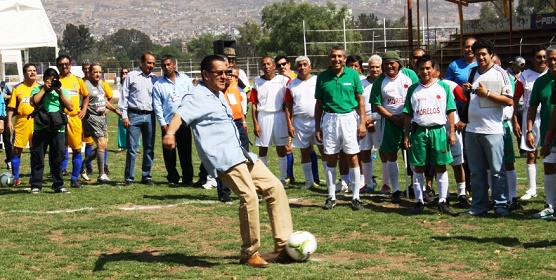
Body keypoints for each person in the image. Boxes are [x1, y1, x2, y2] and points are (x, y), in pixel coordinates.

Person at [162, 55, 293, 268]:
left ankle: (283, 245)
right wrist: (170, 134)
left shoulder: (219, 94)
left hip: (241, 154)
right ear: (205, 75)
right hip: (223, 158)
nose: (225, 76)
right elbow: (179, 115)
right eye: (219, 73)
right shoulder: (196, 96)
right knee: (249, 196)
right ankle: (249, 252)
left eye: (227, 72)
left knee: (274, 186)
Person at [461, 39, 513, 217]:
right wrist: (466, 90)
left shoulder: (500, 73)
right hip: (472, 129)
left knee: (498, 170)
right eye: (477, 54)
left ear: (491, 54)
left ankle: (500, 205)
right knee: (476, 172)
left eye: (484, 54)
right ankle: (479, 206)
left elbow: (509, 100)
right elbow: (470, 97)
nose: (480, 57)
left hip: (493, 130)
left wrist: (488, 94)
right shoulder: (472, 71)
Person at [403, 55, 456, 215]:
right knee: (417, 167)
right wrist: (406, 135)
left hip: (438, 131)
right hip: (419, 131)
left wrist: (452, 132)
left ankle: (443, 200)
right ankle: (419, 201)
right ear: (417, 70)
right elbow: (407, 114)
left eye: (428, 68)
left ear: (434, 70)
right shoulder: (413, 89)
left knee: (440, 165)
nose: (425, 71)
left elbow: (451, 111)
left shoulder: (443, 87)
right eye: (422, 68)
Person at [315, 46, 366, 211]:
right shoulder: (322, 77)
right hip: (329, 119)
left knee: (352, 157)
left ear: (344, 59)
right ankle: (331, 196)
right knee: (330, 157)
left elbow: (360, 100)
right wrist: (317, 126)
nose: (336, 59)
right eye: (333, 56)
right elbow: (319, 104)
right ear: (329, 58)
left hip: (349, 118)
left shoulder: (353, 75)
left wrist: (362, 122)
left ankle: (356, 197)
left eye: (339, 56)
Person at [369, 51, 419, 203]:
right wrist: (392, 117)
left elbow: (417, 95)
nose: (389, 66)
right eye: (386, 64)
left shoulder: (409, 75)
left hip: (409, 120)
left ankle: (417, 188)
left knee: (414, 156)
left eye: (392, 63)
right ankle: (395, 189)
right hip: (389, 123)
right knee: (391, 155)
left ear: (399, 63)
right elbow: (376, 104)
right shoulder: (380, 81)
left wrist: (405, 116)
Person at [29, 68, 74, 194]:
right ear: (43, 79)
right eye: (48, 79)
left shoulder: (62, 91)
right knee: (38, 157)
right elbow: (33, 102)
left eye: (53, 79)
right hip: (40, 128)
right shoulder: (38, 89)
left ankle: (58, 185)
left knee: (57, 158)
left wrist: (59, 92)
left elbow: (70, 107)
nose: (51, 82)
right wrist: (44, 89)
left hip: (57, 129)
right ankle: (36, 185)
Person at [512, 46, 548, 201]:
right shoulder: (524, 76)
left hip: (548, 116)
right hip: (530, 117)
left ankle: (550, 190)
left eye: (544, 57)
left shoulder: (552, 74)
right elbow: (515, 99)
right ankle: (532, 189)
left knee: (551, 153)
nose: (542, 60)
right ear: (532, 60)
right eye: (538, 57)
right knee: (531, 153)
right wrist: (515, 120)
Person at [284, 56, 325, 189]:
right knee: (305, 152)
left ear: (310, 67)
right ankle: (309, 181)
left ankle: (331, 180)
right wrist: (289, 124)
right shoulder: (291, 84)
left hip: (318, 121)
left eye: (304, 64)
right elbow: (288, 106)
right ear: (296, 68)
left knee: (324, 150)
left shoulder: (318, 80)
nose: (302, 67)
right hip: (300, 122)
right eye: (299, 65)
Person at [153, 55, 194, 186]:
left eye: (169, 64)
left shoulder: (185, 79)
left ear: (174, 65)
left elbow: (191, 97)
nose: (167, 67)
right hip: (168, 124)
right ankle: (173, 178)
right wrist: (163, 123)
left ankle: (188, 178)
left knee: (185, 152)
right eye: (164, 65)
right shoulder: (158, 84)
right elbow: (157, 106)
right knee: (169, 153)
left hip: (184, 121)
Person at [119, 52, 158, 186]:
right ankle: (129, 177)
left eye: (153, 63)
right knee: (132, 149)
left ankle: (146, 176)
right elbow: (124, 97)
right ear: (141, 62)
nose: (151, 66)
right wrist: (124, 115)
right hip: (133, 115)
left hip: (150, 116)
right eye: (149, 63)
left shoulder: (155, 79)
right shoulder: (131, 76)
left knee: (149, 148)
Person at [250, 56, 290, 187]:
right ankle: (264, 179)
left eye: (268, 64)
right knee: (263, 149)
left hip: (280, 116)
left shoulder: (284, 80)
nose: (266, 67)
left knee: (281, 148)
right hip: (263, 116)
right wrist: (255, 123)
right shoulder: (257, 82)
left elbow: (290, 101)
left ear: (274, 66)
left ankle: (283, 178)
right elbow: (254, 105)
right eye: (263, 64)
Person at [81, 63, 122, 183]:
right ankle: (101, 175)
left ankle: (83, 165)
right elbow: (82, 102)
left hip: (101, 117)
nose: (97, 74)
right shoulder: (85, 85)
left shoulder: (100, 84)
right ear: (90, 73)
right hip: (91, 117)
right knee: (101, 143)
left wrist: (114, 110)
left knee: (103, 145)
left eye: (99, 72)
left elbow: (103, 100)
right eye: (95, 72)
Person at [529, 45, 556, 219]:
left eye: (555, 59)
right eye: (550, 58)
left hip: (550, 134)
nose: (552, 62)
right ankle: (550, 205)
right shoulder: (541, 81)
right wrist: (529, 129)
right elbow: (532, 106)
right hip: (549, 133)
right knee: (549, 168)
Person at [56, 55, 89, 188]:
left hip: (75, 119)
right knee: (58, 150)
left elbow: (86, 95)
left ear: (70, 65)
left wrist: (84, 110)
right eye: (61, 64)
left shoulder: (77, 80)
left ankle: (75, 178)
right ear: (57, 66)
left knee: (76, 149)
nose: (64, 66)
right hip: (58, 120)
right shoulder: (54, 80)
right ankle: (58, 177)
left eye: (67, 64)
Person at [7, 63, 39, 186]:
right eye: (30, 71)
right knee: (17, 149)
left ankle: (33, 177)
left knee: (35, 150)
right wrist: (9, 120)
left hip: (36, 122)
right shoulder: (18, 88)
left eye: (34, 70)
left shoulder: (41, 88)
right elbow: (11, 107)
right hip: (21, 121)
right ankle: (16, 178)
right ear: (25, 73)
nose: (32, 73)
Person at [359, 55, 383, 193]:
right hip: (363, 121)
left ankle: (387, 184)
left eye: (377, 67)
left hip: (381, 121)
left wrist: (374, 118)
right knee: (364, 152)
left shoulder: (385, 83)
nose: (374, 69)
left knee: (385, 153)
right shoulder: (362, 83)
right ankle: (368, 183)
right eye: (372, 67)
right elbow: (357, 103)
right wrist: (364, 120)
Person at [0, 80, 13, 171]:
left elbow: (14, 96)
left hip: (3, 116)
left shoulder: (5, 85)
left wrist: (5, 96)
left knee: (7, 140)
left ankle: (10, 161)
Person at [117, 68, 130, 152]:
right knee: (121, 127)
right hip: (122, 108)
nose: (124, 74)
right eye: (123, 73)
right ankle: (121, 145)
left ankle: (133, 145)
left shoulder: (131, 83)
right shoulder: (120, 85)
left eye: (126, 73)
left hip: (131, 108)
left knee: (132, 127)